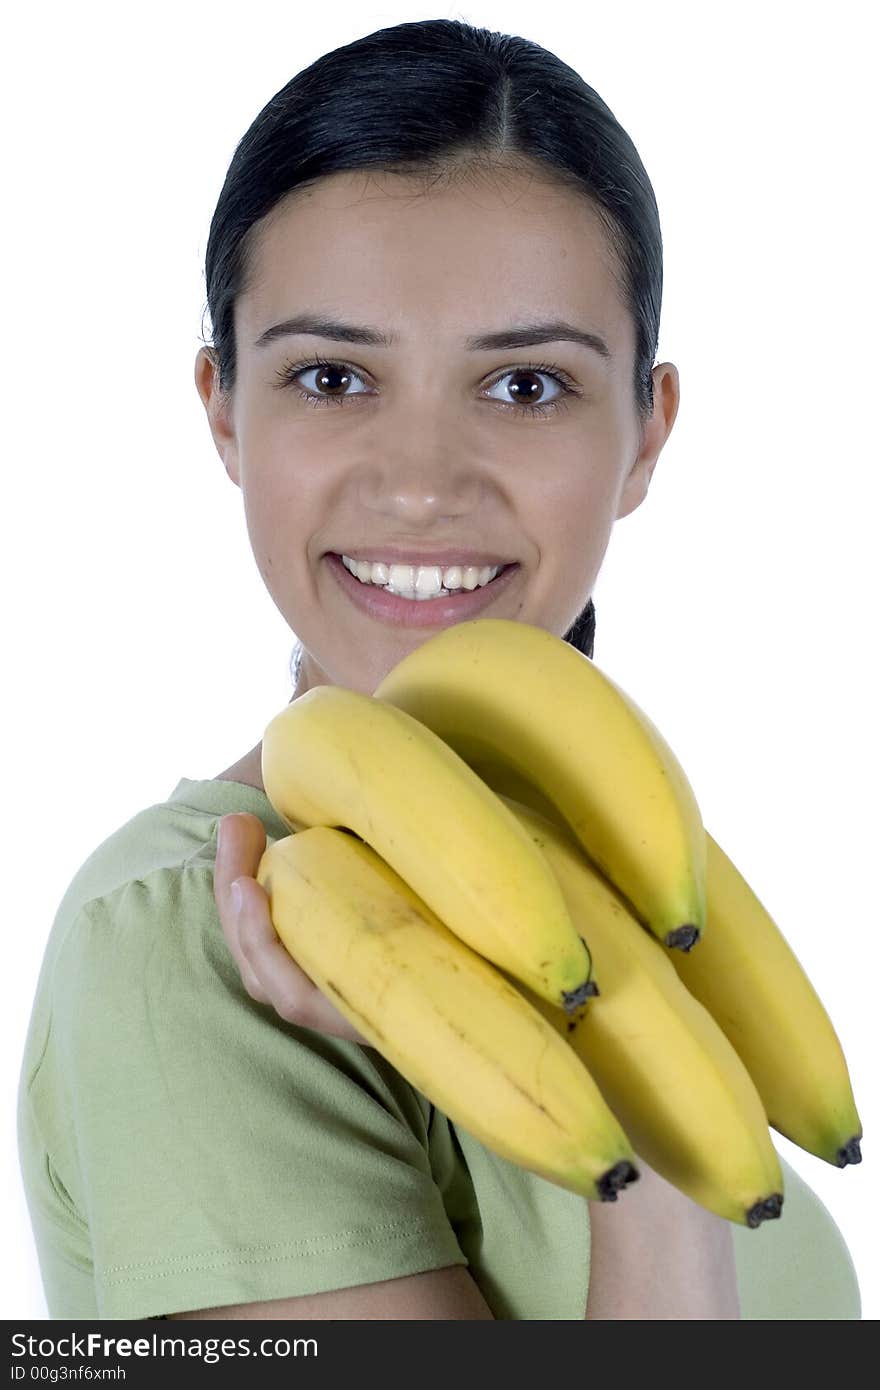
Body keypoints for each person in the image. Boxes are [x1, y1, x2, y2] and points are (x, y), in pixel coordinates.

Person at [17, 17, 861, 1321]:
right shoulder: (192, 945)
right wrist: (652, 1171)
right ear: (223, 408)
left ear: (646, 434)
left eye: (525, 386)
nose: (420, 485)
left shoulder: (648, 912)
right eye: (333, 374)